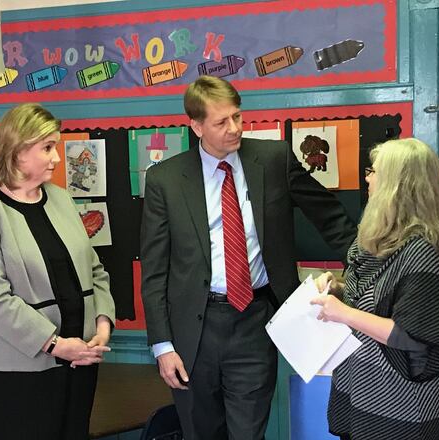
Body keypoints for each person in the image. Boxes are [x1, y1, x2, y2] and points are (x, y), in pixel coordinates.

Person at [140, 75, 357, 440]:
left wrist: (368, 261)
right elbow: (155, 268)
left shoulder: (273, 159)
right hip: (194, 331)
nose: (234, 128)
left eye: (238, 117)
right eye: (221, 122)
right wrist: (162, 345)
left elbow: (328, 215)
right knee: (201, 433)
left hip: (255, 321)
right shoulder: (165, 179)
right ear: (196, 126)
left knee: (248, 434)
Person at [0, 102, 116, 440]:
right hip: (22, 371)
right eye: (47, 148)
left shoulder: (61, 198)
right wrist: (55, 344)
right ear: (16, 151)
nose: (57, 158)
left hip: (80, 361)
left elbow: (95, 270)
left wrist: (102, 326)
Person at [311, 138, 439, 440]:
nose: (367, 177)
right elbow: (375, 300)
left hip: (404, 405)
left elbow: (412, 335)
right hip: (361, 390)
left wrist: (344, 314)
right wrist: (337, 289)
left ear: (398, 183)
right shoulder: (375, 238)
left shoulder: (423, 250)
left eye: (374, 171)